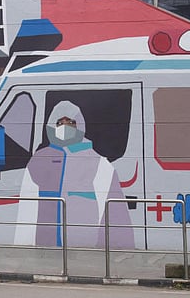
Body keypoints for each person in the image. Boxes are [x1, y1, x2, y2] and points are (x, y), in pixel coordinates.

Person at [20, 101, 134, 249]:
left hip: (86, 249)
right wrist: (22, 243)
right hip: (45, 247)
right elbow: (26, 207)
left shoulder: (99, 163)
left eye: (71, 122)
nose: (65, 127)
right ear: (51, 126)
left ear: (80, 125)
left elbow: (116, 213)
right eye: (59, 123)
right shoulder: (38, 160)